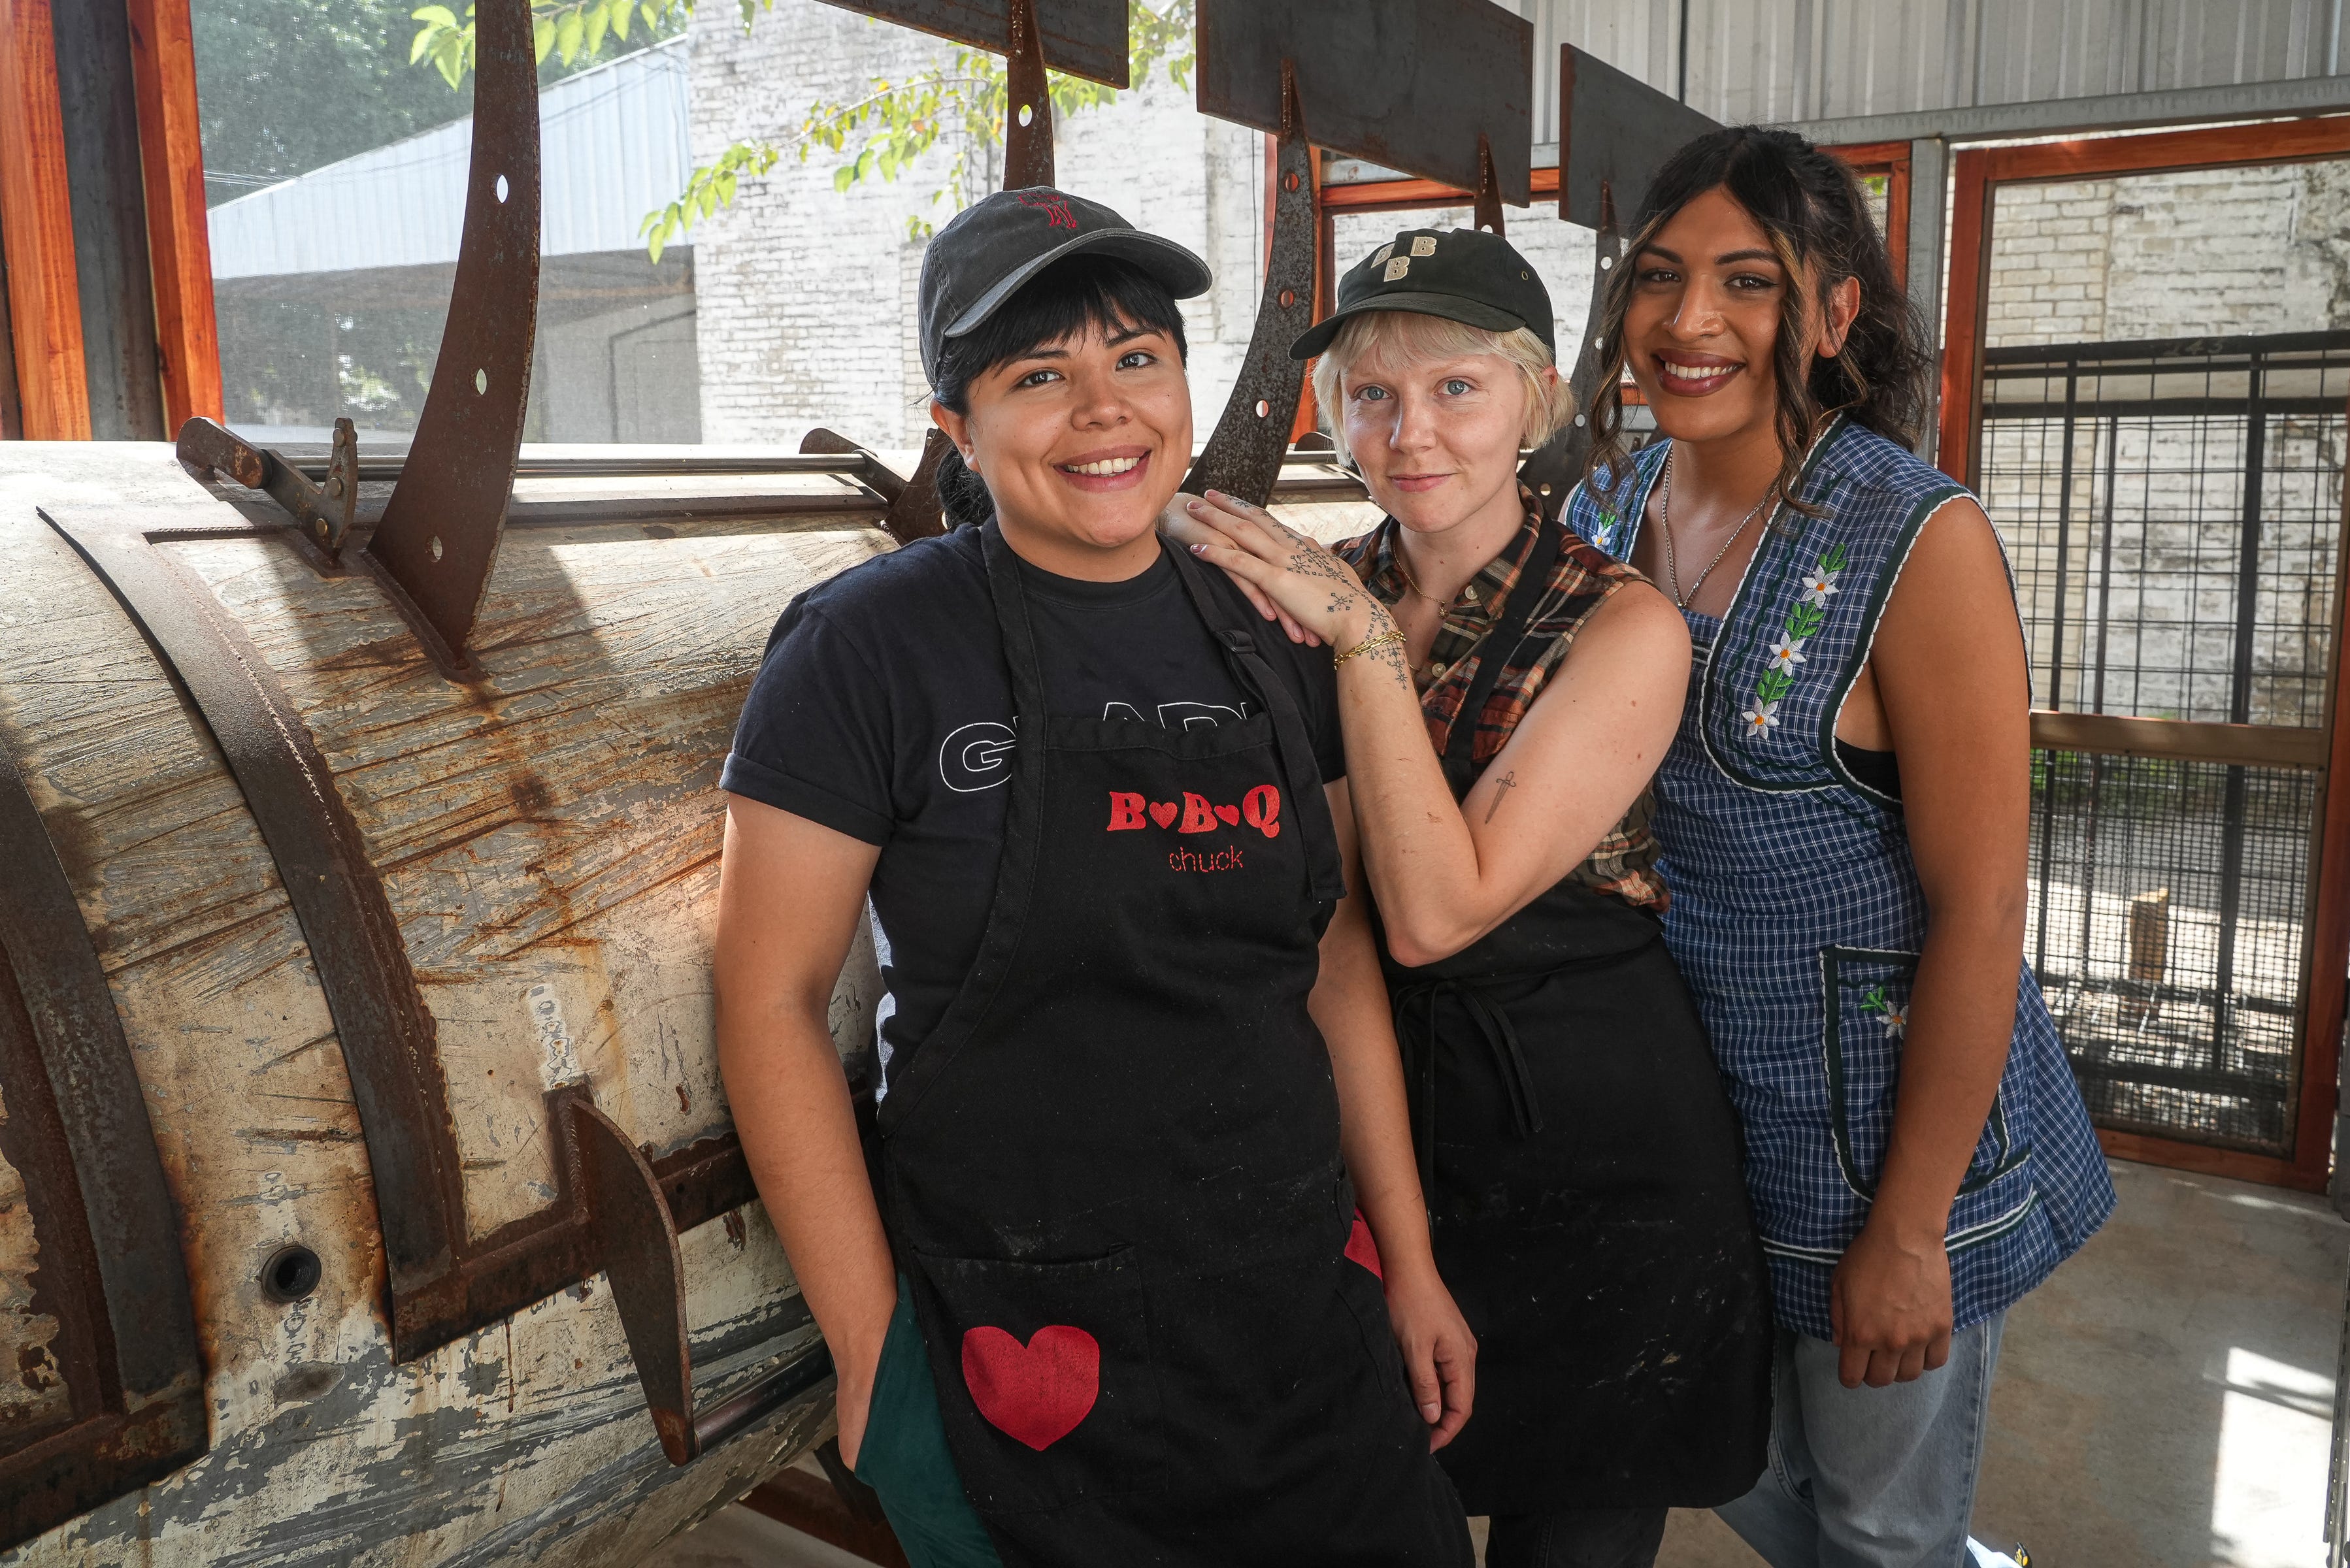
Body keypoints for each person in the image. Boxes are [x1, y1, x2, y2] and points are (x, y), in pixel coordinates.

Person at [712, 186, 1476, 1568]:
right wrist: (875, 1350)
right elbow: (768, 1002)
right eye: (1038, 377)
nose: (1105, 410)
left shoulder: (1265, 622)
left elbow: (1335, 955)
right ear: (958, 426)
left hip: (1302, 1313)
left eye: (1137, 358)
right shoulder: (866, 650)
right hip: (1026, 1359)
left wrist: (1410, 1260)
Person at [1169, 225, 1770, 1568]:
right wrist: (1407, 1242)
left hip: (1603, 1155)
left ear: (1536, 403)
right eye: (1372, 395)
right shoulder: (1318, 595)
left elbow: (1440, 910)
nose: (1410, 432)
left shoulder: (1622, 627)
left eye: (1456, 388)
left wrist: (1366, 643)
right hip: (1395, 1117)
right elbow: (1343, 935)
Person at [1553, 128, 2113, 1566]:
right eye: (1661, 277)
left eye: (1749, 281)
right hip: (1690, 1128)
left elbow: (1984, 907)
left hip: (1882, 1138)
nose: (1692, 322)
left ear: (1835, 313)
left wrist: (1913, 1231)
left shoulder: (1916, 542)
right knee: (1728, 1461)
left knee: (1876, 1523)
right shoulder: (1601, 515)